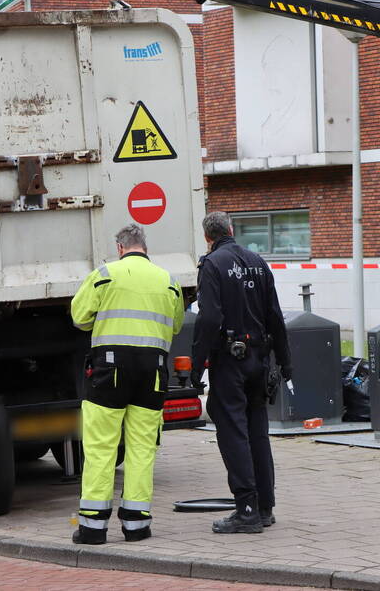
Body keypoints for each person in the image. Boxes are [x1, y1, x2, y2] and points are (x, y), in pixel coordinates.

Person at [69, 223, 184, 545]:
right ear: (144, 247)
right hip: (154, 371)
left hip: (111, 368)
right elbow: (175, 326)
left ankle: (93, 527)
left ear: (120, 248)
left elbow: (80, 317)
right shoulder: (169, 281)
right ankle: (136, 525)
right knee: (143, 448)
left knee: (101, 446)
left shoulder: (105, 274)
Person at [191, 211, 290, 534]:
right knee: (258, 431)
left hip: (230, 362)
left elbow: (208, 320)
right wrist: (286, 363)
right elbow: (275, 316)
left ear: (208, 237)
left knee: (233, 432)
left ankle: (245, 509)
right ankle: (264, 506)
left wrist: (196, 366)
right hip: (259, 361)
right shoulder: (258, 262)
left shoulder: (212, 265)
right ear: (231, 230)